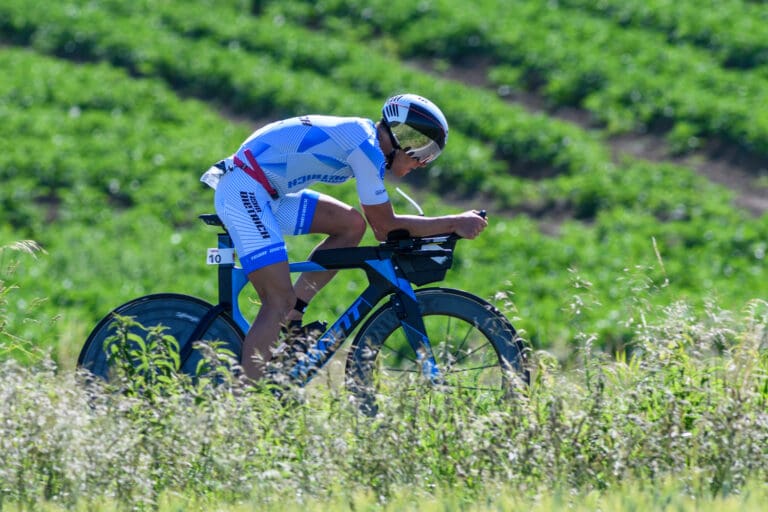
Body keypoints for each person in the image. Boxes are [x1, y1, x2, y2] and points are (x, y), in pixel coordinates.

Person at [200, 93, 488, 381]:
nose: (424, 162)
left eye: (431, 155)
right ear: (403, 138)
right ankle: (248, 403)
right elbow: (384, 227)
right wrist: (453, 223)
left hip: (267, 192)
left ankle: (293, 316)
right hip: (244, 189)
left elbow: (374, 224)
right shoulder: (366, 148)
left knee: (350, 225)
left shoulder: (366, 141)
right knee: (277, 300)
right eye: (423, 150)